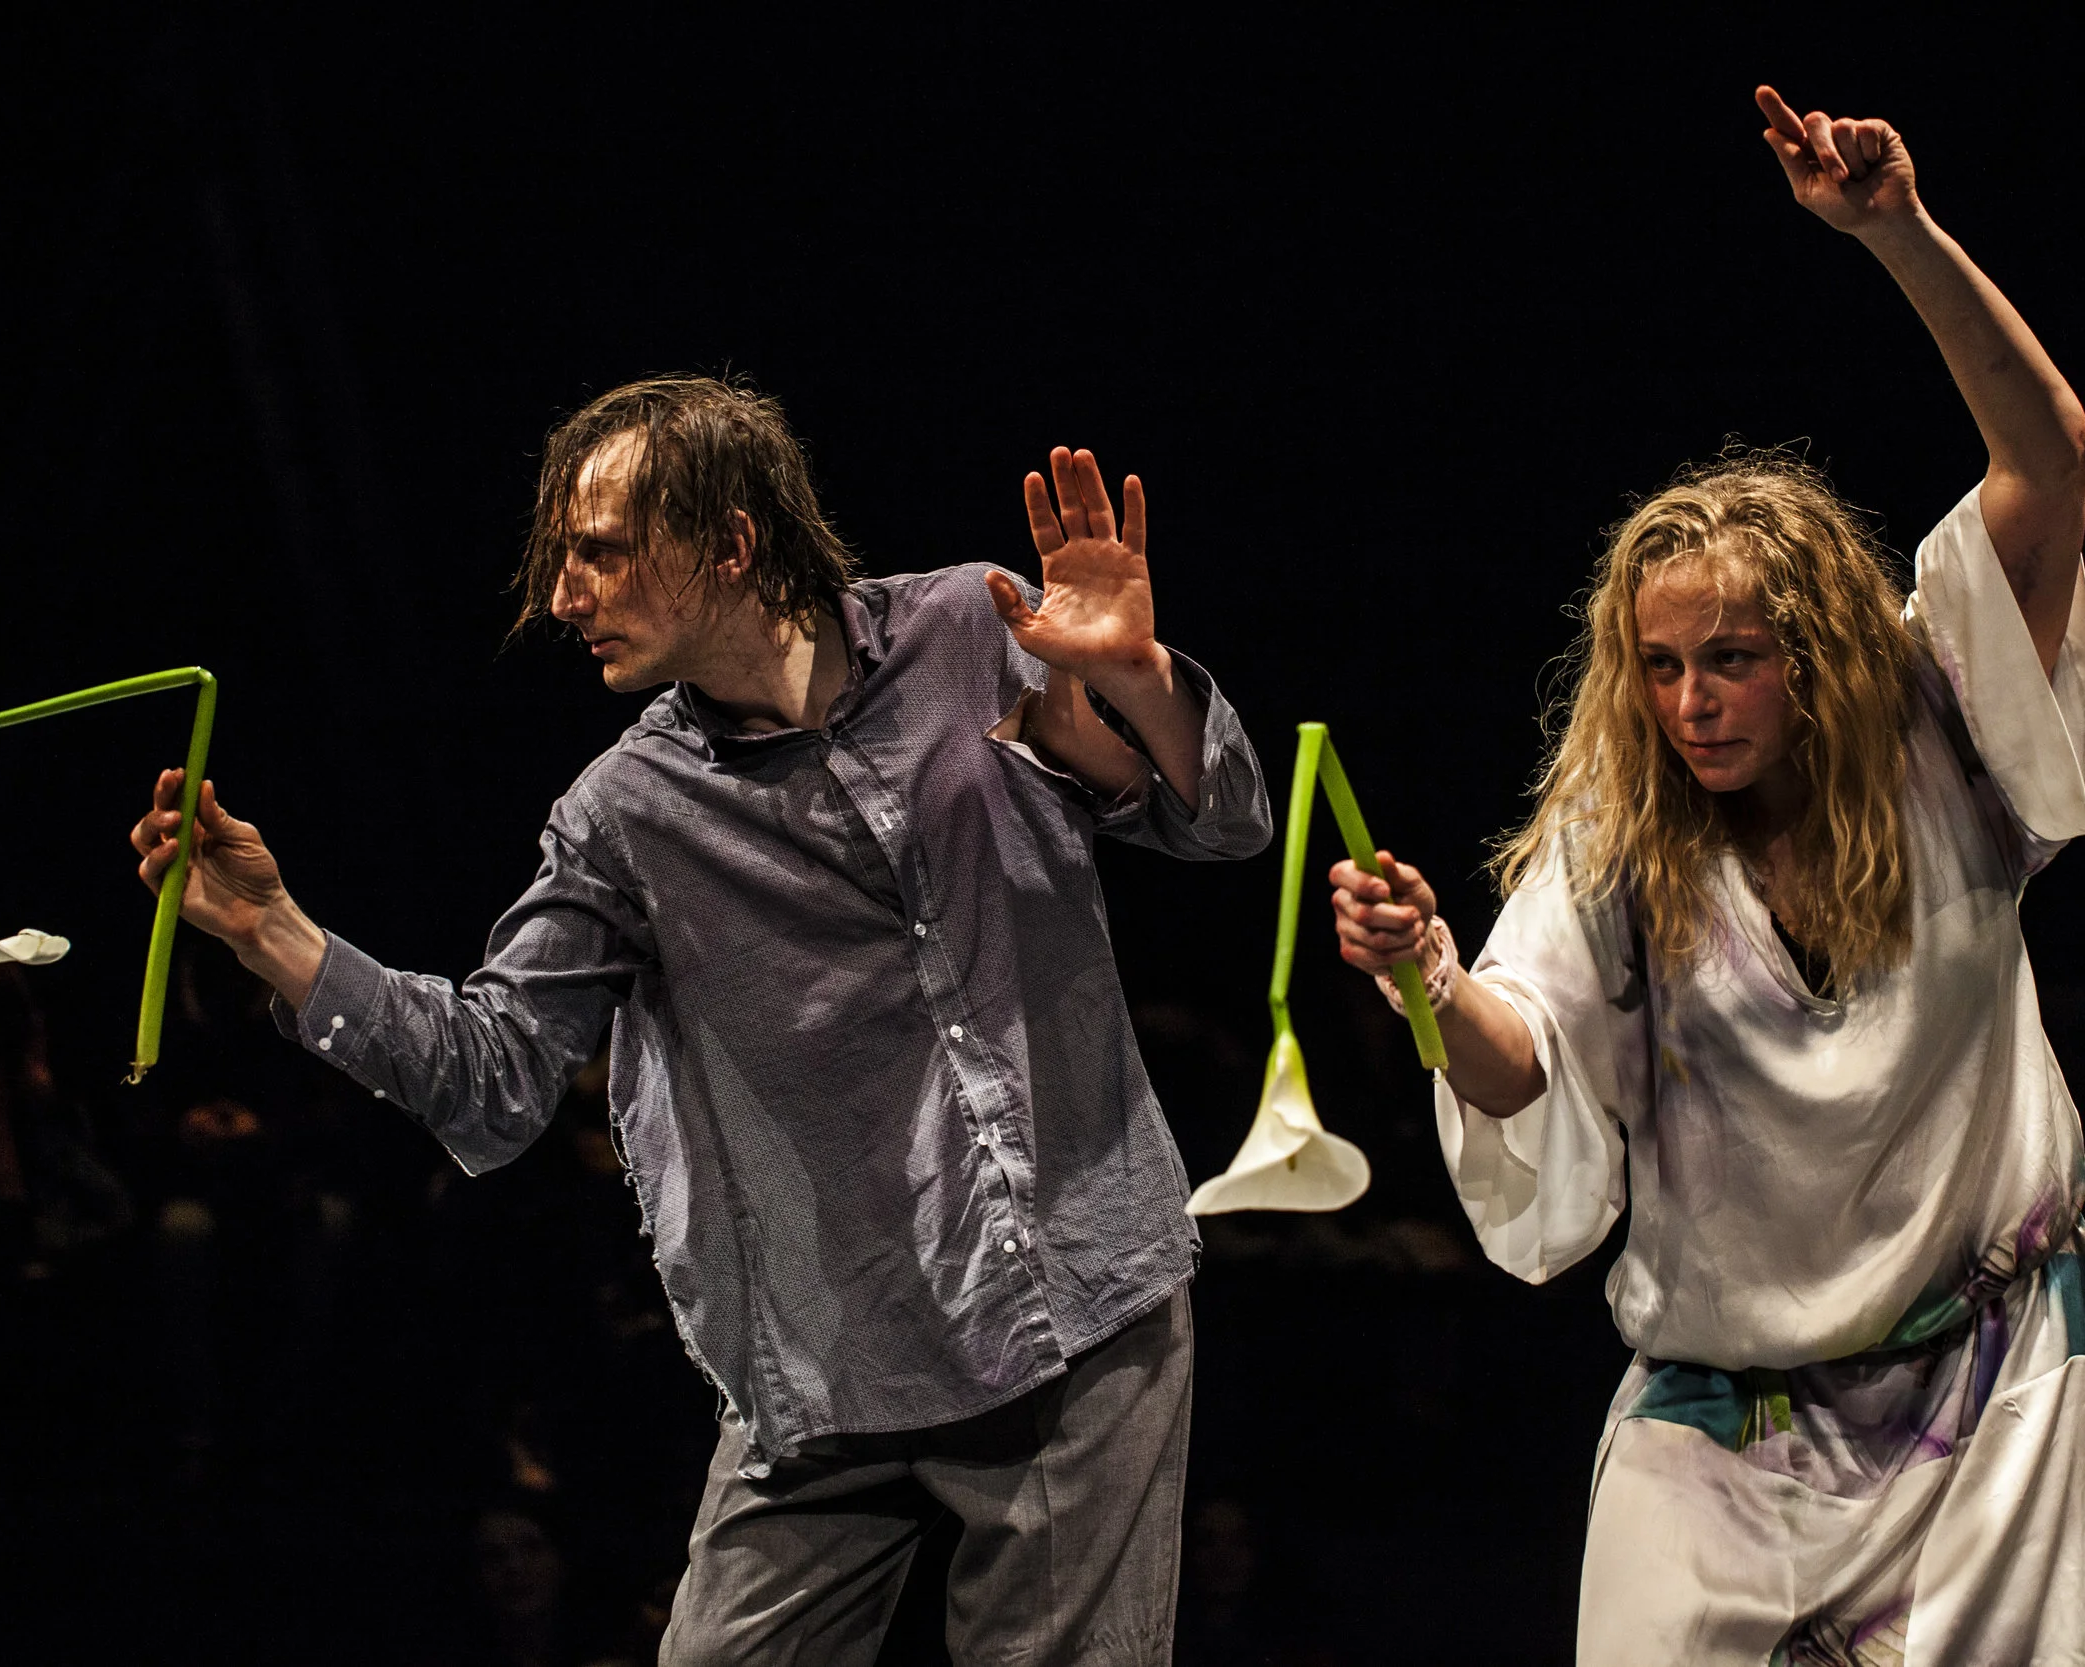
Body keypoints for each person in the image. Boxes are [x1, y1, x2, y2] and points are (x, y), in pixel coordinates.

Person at [130, 377, 1270, 1665]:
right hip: (833, 1368)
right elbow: (496, 1080)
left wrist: (1138, 677)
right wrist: (275, 934)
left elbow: (1226, 824)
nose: (563, 598)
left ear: (729, 542)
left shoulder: (972, 625)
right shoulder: (626, 815)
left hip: (1077, 1306)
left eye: (600, 553)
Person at [1329, 88, 2085, 1662]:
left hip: (1996, 1393)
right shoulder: (1620, 832)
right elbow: (1519, 1060)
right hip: (1723, 1424)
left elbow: (2052, 459)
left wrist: (1899, 235)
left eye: (1732, 658)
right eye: (1659, 666)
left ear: (1820, 650)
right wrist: (1427, 977)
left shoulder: (1947, 722)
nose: (1691, 702)